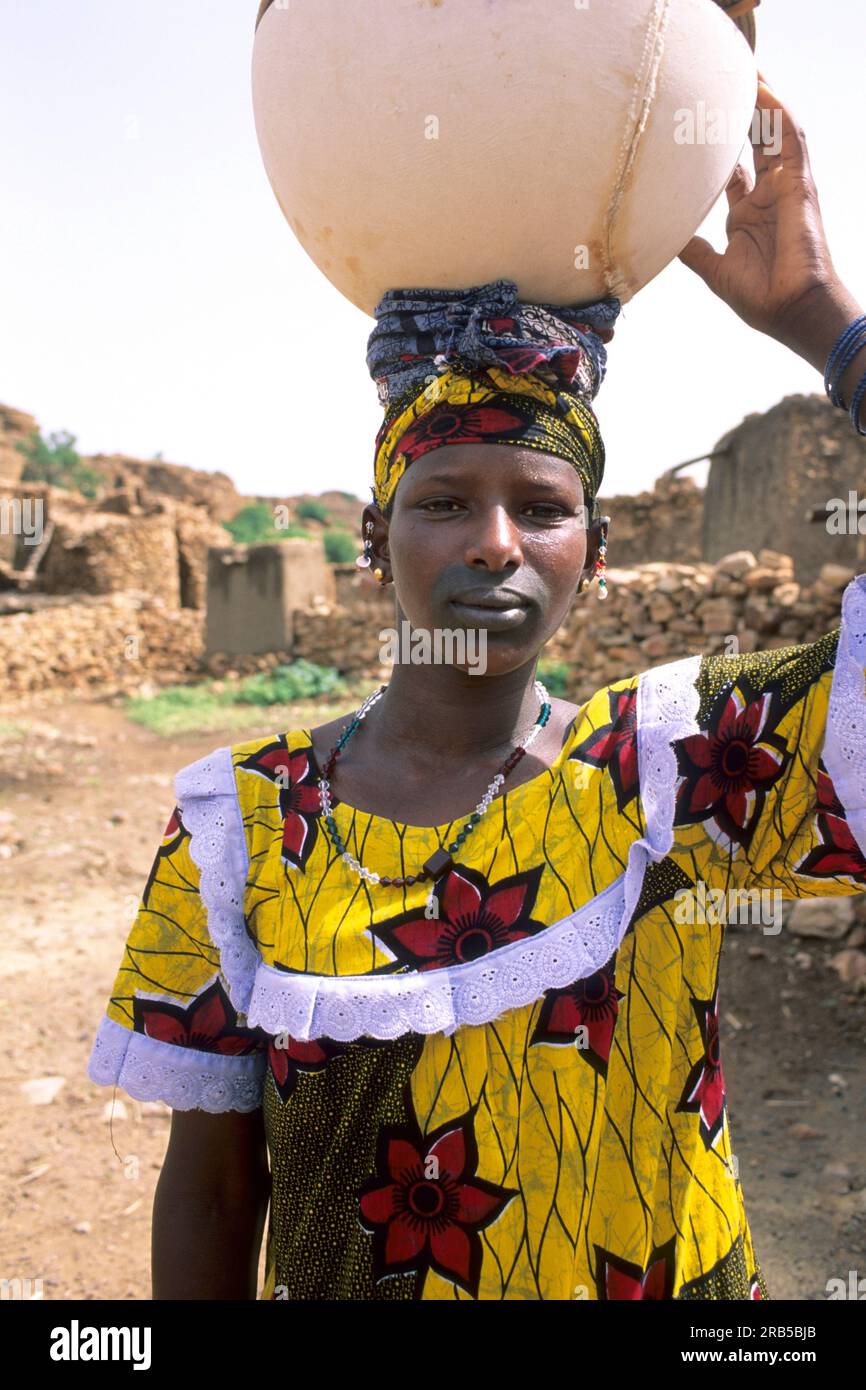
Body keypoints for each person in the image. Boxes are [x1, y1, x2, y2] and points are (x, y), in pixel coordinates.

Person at [87, 77, 866, 1300]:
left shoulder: (679, 767)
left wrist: (828, 323)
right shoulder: (241, 828)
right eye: (444, 501)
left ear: (594, 555)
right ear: (371, 535)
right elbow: (216, 1188)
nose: (495, 543)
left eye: (541, 508)